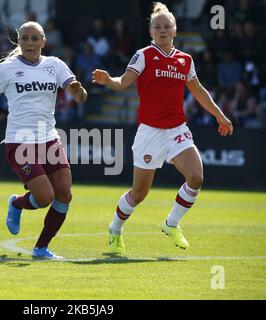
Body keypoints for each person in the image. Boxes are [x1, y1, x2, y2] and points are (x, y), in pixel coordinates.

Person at [92, 2, 233, 254]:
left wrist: (220, 116)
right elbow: (123, 82)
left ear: (175, 31)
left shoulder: (185, 60)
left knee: (196, 177)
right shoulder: (144, 55)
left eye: (167, 26)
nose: (163, 30)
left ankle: (172, 224)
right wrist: (108, 81)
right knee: (139, 193)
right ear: (151, 32)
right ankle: (115, 229)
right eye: (157, 27)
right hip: (150, 132)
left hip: (177, 130)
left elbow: (198, 91)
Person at [0, 21, 87, 259]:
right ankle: (17, 204)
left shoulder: (55, 65)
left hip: (49, 139)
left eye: (35, 38)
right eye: (25, 38)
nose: (30, 43)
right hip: (20, 141)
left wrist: (78, 91)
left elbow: (80, 96)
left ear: (44, 42)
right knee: (45, 197)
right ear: (19, 42)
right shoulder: (6, 69)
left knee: (65, 195)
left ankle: (40, 248)